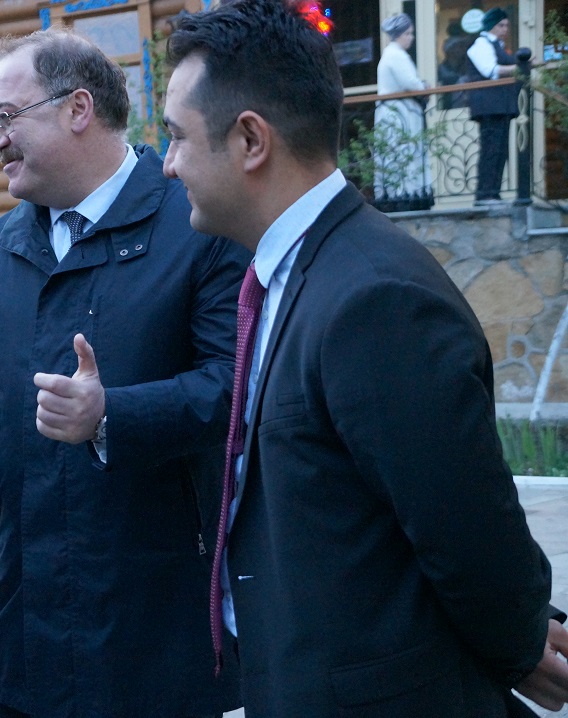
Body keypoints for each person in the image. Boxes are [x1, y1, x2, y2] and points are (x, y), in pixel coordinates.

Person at [162, 1, 568, 715]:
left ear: (251, 139)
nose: (167, 165)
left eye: (176, 137)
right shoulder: (297, 272)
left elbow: (468, 532)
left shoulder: (374, 298)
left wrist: (520, 643)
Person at [0, 28, 247, 718]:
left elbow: (236, 386)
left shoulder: (198, 225)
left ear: (79, 108)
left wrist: (110, 416)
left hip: (152, 640)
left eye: (7, 117)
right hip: (21, 634)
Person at [467, 7, 522, 203]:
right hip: (489, 107)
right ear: (491, 25)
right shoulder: (481, 44)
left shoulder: (497, 45)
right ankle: (485, 194)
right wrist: (520, 67)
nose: (505, 29)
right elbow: (490, 70)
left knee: (500, 151)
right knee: (491, 150)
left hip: (500, 106)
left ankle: (493, 193)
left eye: (506, 25)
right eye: (501, 25)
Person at [374, 13, 430, 202]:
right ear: (398, 35)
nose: (411, 38)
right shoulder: (395, 55)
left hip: (399, 113)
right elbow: (410, 83)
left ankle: (405, 193)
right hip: (398, 115)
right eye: (408, 34)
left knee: (401, 153)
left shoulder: (394, 54)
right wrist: (424, 87)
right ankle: (403, 195)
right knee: (401, 153)